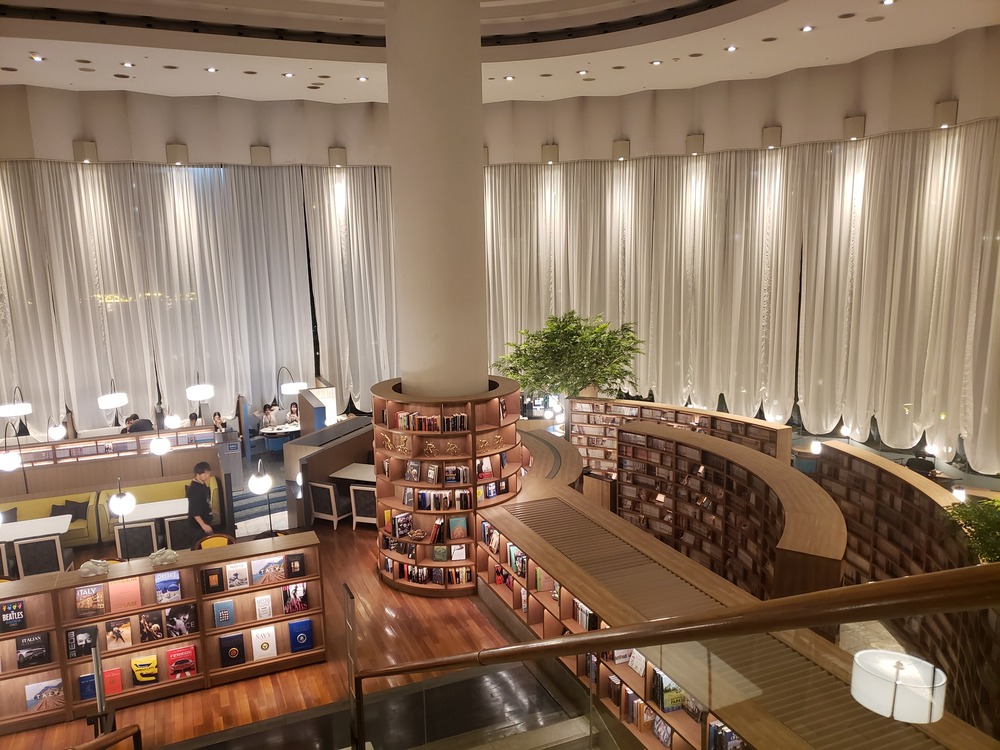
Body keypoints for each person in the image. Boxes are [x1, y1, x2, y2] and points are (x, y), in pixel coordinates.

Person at [186, 461, 214, 541]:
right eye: (205, 474)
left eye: (208, 473)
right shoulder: (194, 490)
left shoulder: (202, 483)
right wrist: (203, 525)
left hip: (205, 520)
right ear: (197, 474)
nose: (207, 475)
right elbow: (194, 511)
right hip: (198, 526)